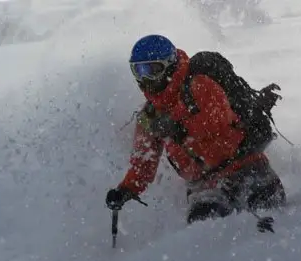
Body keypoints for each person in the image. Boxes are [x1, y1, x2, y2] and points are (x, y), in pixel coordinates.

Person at [105, 34, 286, 224]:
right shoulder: (150, 116)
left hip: (246, 166)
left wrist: (177, 126)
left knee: (269, 209)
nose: (146, 78)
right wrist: (126, 190)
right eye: (138, 71)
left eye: (152, 69)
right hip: (204, 185)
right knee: (205, 226)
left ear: (169, 65)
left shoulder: (197, 84)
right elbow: (144, 162)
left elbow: (218, 121)